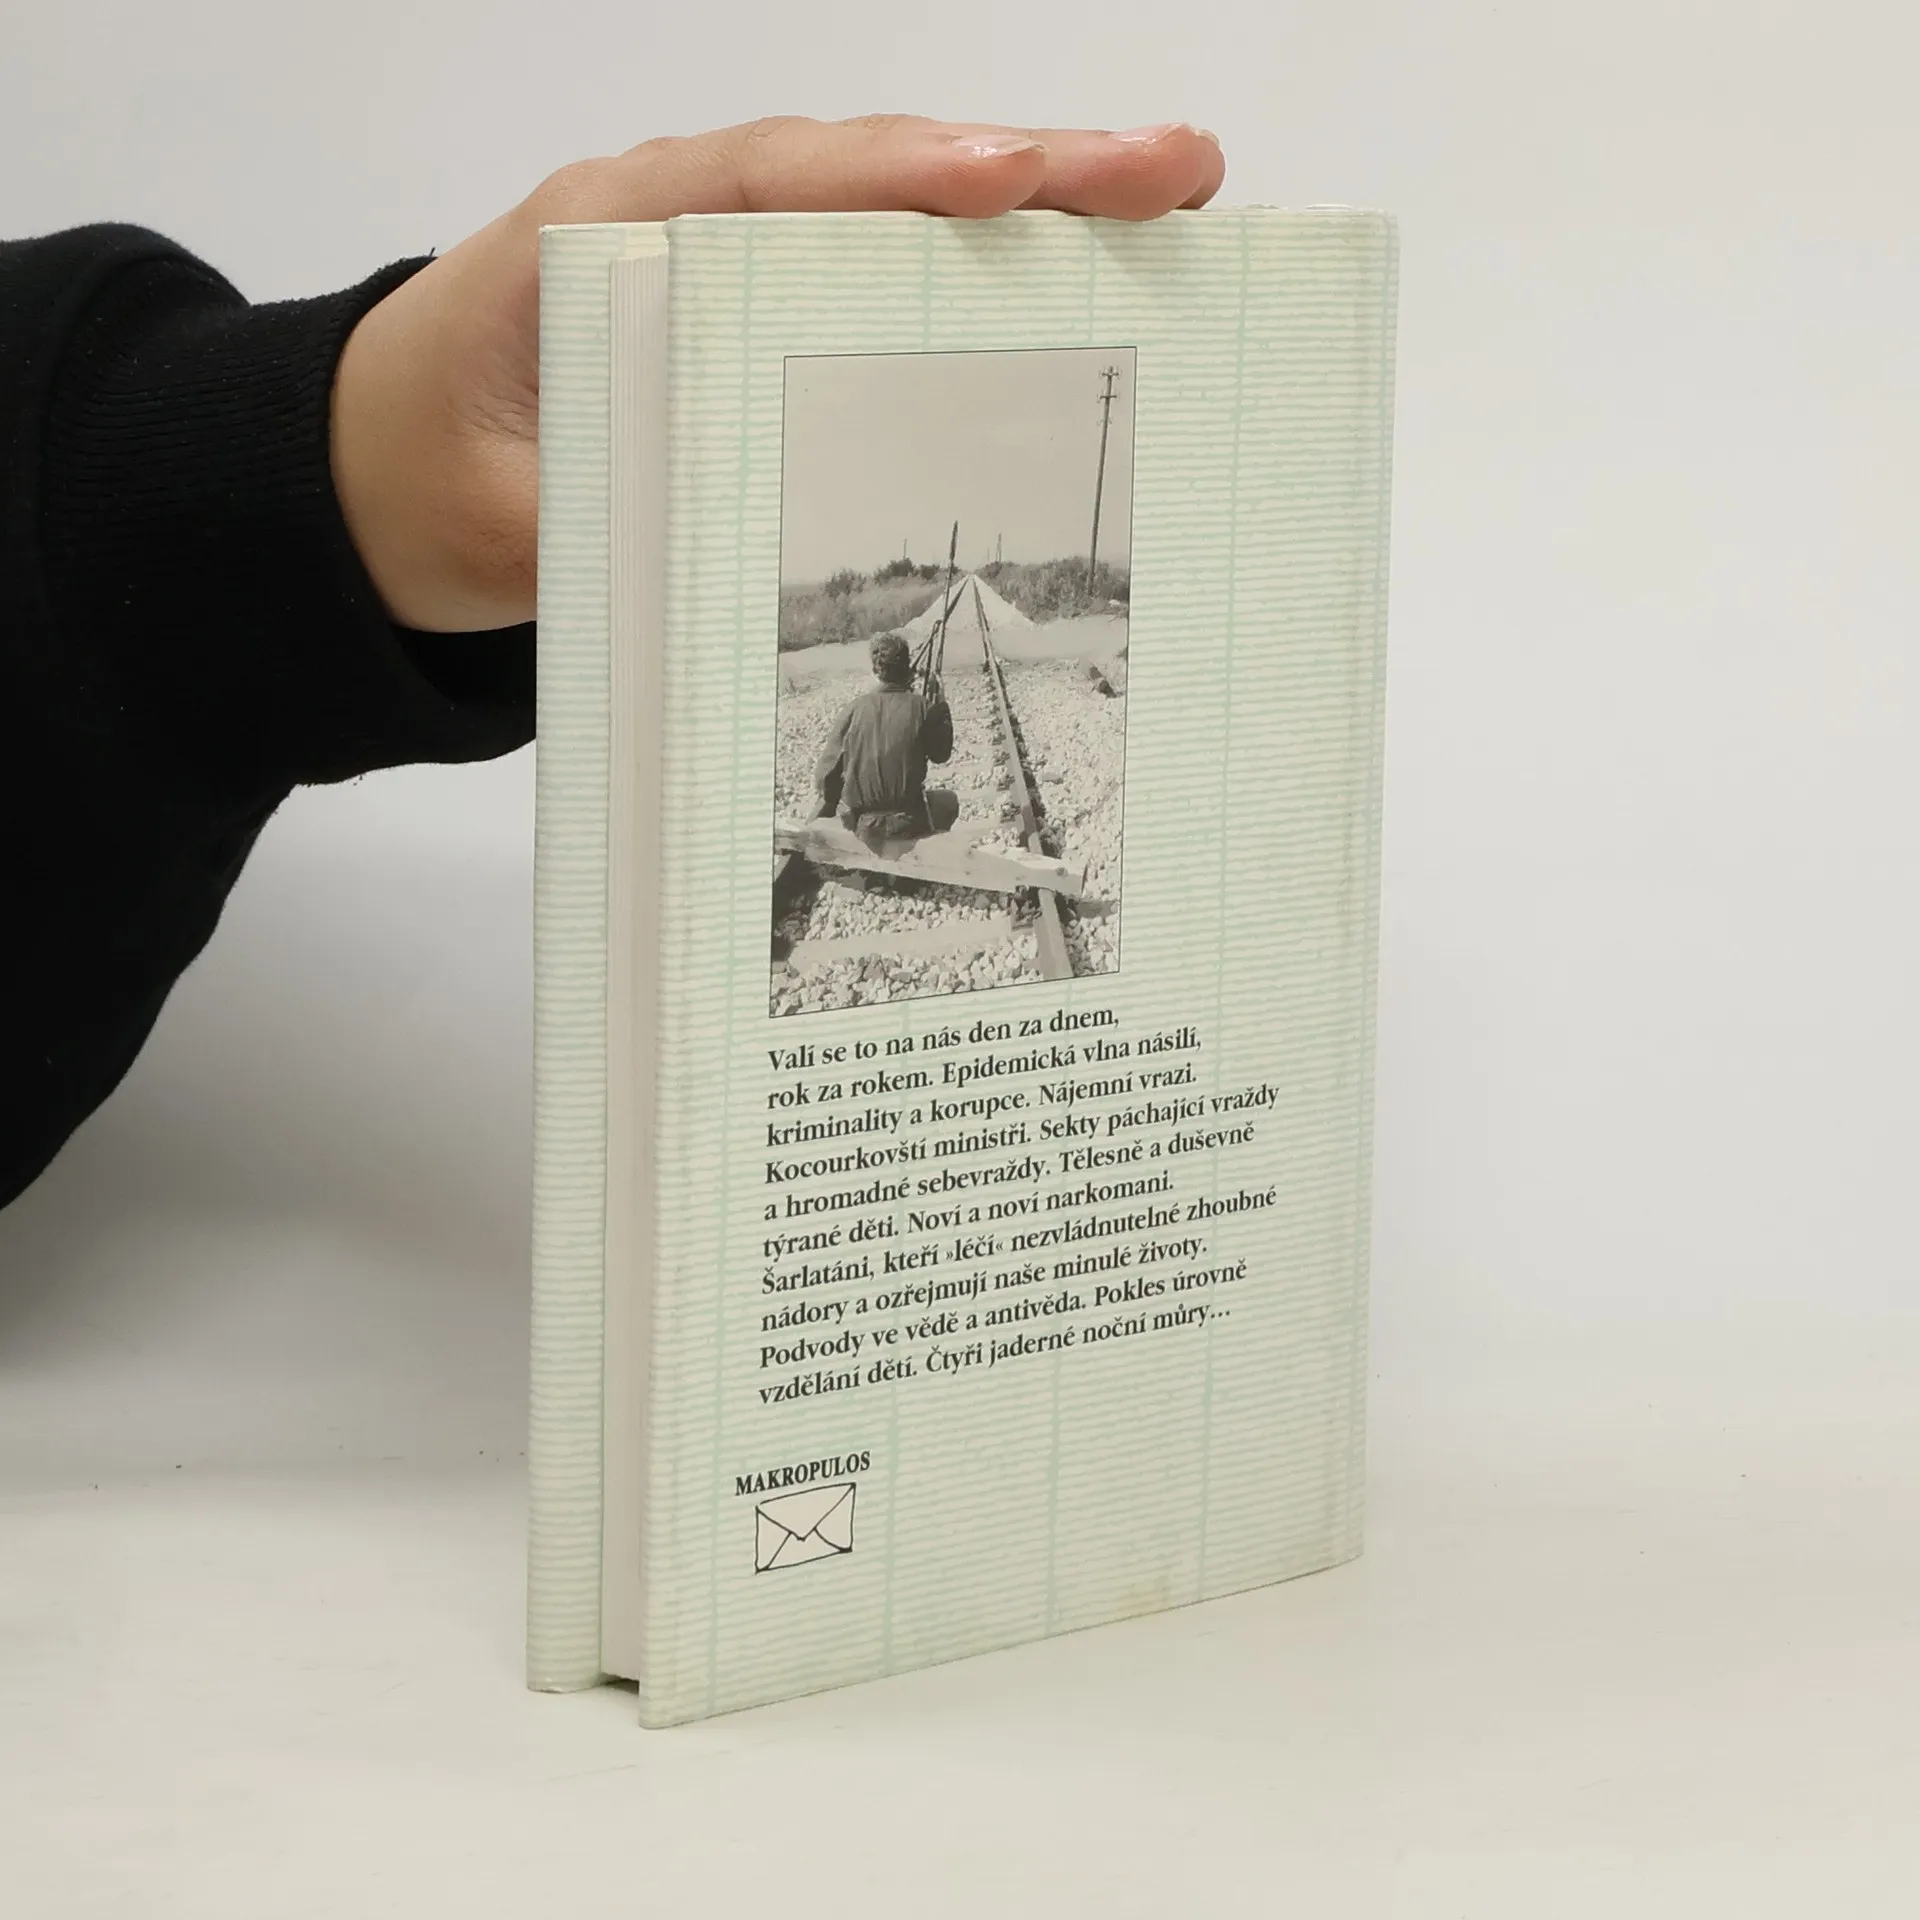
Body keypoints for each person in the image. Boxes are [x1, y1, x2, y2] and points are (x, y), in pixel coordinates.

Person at [0, 116, 1225, 1210]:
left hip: (858, 823)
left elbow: (831, 781)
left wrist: (284, 481)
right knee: (946, 804)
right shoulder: (917, 702)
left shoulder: (853, 710)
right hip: (912, 827)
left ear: (876, 658)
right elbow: (947, 751)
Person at [816, 632, 957, 846]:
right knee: (949, 801)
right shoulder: (923, 707)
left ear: (876, 669)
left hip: (865, 827)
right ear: (906, 667)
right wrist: (941, 707)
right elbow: (941, 755)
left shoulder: (854, 709)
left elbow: (824, 777)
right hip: (908, 824)